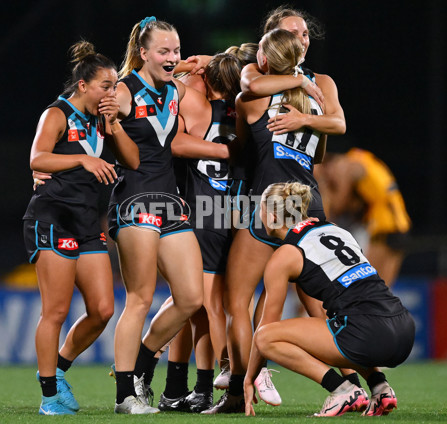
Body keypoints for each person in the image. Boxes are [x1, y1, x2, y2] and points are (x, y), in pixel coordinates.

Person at [202, 27, 346, 414]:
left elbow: (243, 150)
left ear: (265, 61)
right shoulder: (314, 102)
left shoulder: (252, 100)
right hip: (310, 202)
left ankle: (242, 383)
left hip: (274, 203)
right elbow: (326, 143)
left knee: (238, 301)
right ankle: (364, 381)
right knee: (317, 306)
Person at [22, 41, 140, 415]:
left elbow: (133, 160)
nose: (113, 91)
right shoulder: (57, 113)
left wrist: (115, 123)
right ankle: (48, 396)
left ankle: (58, 370)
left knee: (103, 309)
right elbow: (36, 158)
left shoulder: (102, 120)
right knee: (55, 311)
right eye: (106, 85)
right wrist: (84, 161)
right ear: (84, 85)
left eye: (115, 85)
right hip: (52, 217)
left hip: (88, 222)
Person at [244, 182, 415, 417]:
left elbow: (265, 331)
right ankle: (380, 387)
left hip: (368, 334)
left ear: (272, 215)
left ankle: (342, 389)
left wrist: (248, 378)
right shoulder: (336, 229)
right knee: (338, 322)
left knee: (265, 337)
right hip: (404, 329)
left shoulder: (284, 256)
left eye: (260, 209)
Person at [107, 16, 204, 415]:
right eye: (163, 51)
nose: (172, 57)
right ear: (142, 53)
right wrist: (50, 165)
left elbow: (214, 66)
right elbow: (83, 118)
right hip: (134, 201)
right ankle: (125, 396)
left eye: (176, 50)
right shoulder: (123, 91)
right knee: (140, 298)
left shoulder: (174, 88)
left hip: (169, 202)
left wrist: (190, 63)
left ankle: (143, 367)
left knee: (191, 298)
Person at [156, 52, 242, 413]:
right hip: (234, 211)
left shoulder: (194, 101)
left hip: (203, 211)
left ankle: (223, 384)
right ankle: (187, 389)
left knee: (202, 305)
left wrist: (183, 69)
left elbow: (174, 140)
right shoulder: (250, 107)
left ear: (207, 79)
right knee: (204, 308)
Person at [316, 138, 411, 286]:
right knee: (382, 288)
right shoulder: (362, 158)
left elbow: (338, 206)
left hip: (383, 228)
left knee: (366, 285)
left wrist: (322, 184)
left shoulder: (345, 166)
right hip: (402, 226)